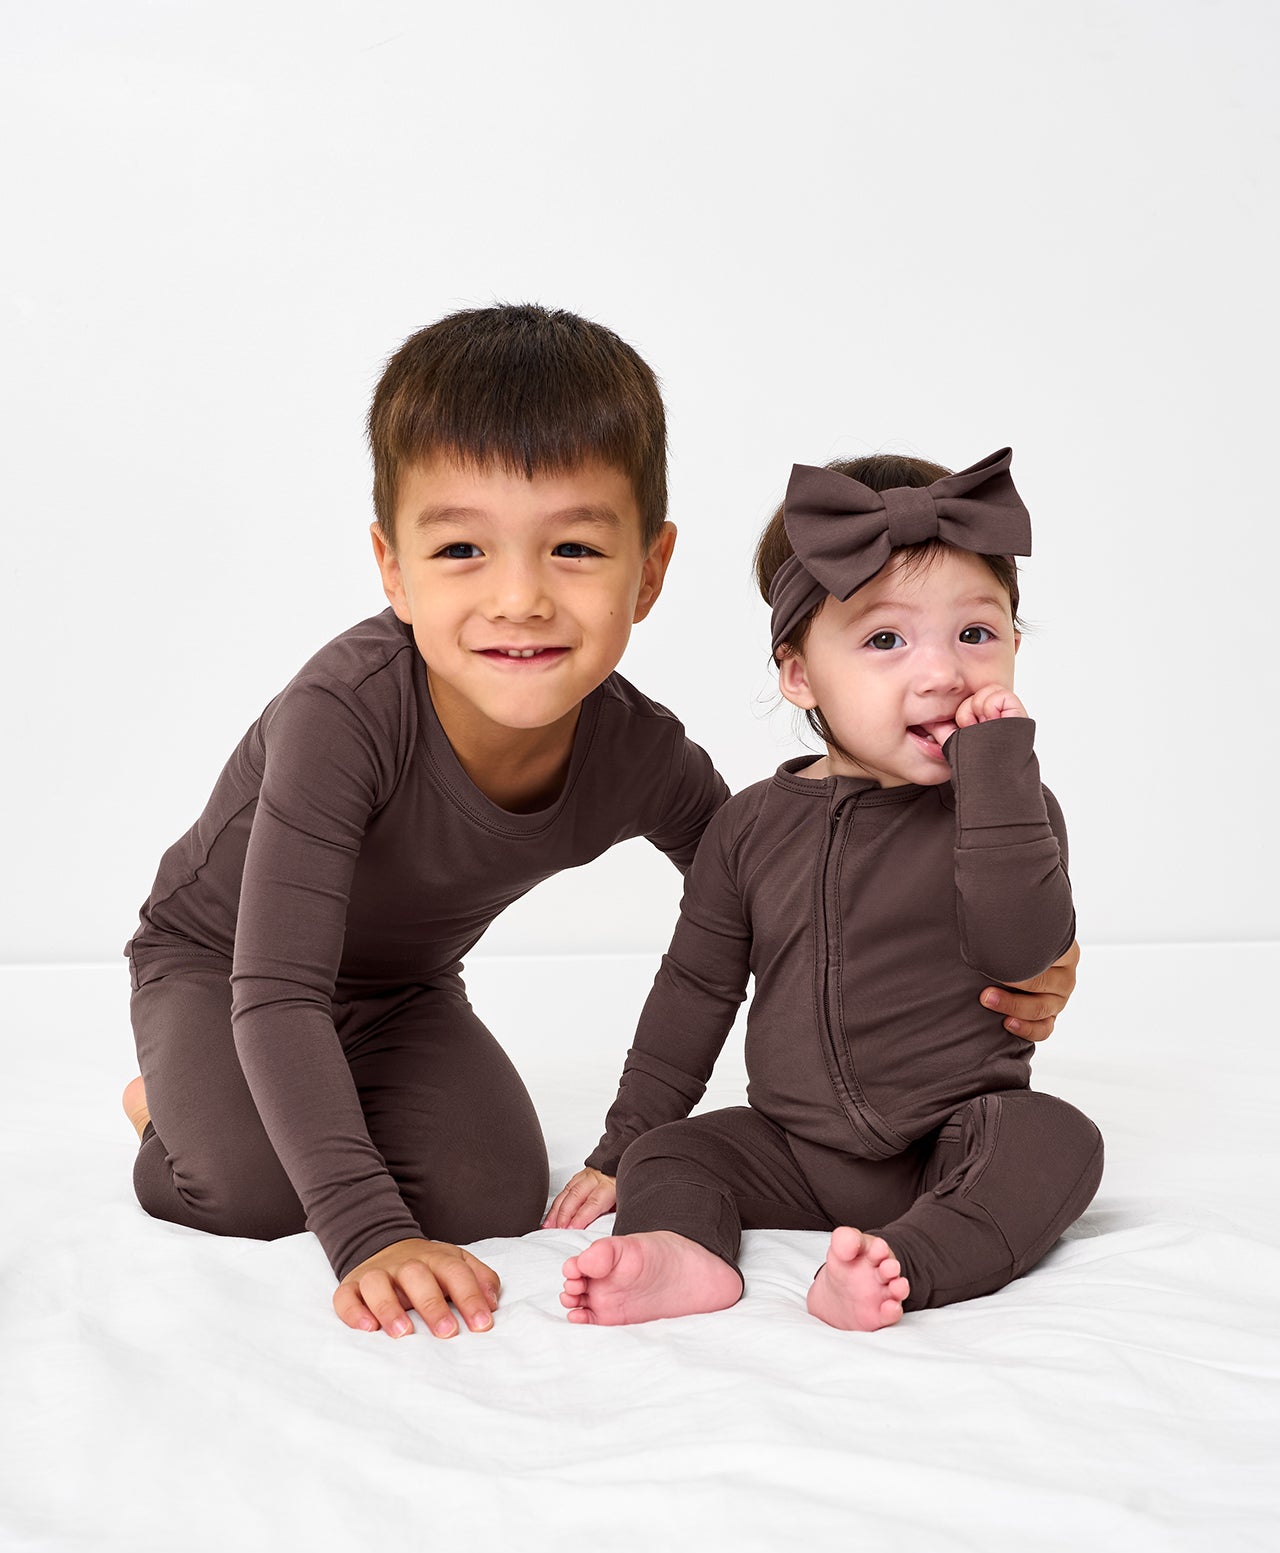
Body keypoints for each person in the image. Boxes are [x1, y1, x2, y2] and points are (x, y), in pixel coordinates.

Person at [122, 309, 1079, 1340]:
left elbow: (768, 882)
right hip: (227, 971)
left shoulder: (636, 752)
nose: (520, 598)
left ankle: (305, 1103)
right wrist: (367, 1236)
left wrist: (1041, 947)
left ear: (650, 571)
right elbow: (278, 989)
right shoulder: (342, 717)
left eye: (573, 547)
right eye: (459, 549)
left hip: (398, 992)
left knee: (488, 1197)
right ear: (391, 567)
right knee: (254, 1190)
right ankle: (163, 1104)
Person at [552, 448, 1102, 1331]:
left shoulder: (1011, 805)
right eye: (886, 640)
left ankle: (906, 1262)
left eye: (977, 633)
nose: (942, 673)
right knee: (673, 1152)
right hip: (793, 1150)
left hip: (952, 1138)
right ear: (800, 674)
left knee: (1056, 1141)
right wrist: (621, 1146)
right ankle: (685, 1256)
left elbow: (1020, 947)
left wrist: (1000, 774)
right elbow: (695, 991)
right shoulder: (750, 827)